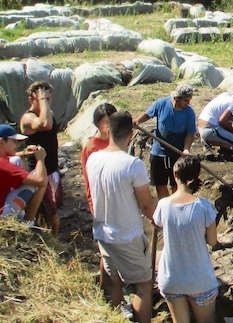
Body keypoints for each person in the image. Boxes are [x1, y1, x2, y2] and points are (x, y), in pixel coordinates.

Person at [87, 111, 155, 323]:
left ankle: (114, 318)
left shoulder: (93, 158)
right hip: (127, 235)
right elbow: (145, 204)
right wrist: (158, 219)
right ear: (131, 134)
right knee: (142, 286)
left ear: (108, 130)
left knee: (112, 281)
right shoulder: (133, 165)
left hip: (103, 232)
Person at [154, 156, 218, 323]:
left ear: (175, 174)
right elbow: (212, 241)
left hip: (171, 278)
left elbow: (159, 226)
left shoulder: (163, 205)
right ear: (197, 176)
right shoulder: (204, 206)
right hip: (199, 279)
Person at [134, 84, 196, 200]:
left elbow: (190, 133)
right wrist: (137, 121)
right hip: (159, 152)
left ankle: (175, 207)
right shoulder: (161, 104)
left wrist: (186, 148)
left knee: (176, 184)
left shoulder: (189, 113)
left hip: (177, 153)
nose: (188, 103)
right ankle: (165, 208)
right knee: (160, 184)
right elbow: (148, 114)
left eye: (189, 100)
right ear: (177, 98)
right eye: (186, 100)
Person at [20, 81, 61, 234]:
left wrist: (44, 102)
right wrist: (43, 101)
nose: (46, 102)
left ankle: (54, 240)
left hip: (52, 169)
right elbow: (44, 124)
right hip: (38, 171)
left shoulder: (48, 113)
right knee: (38, 212)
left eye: (49, 99)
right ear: (32, 99)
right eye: (43, 98)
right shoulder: (27, 118)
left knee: (53, 213)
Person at [0, 125, 47, 222]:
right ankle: (28, 221)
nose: (16, 145)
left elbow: (9, 159)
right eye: (14, 141)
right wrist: (40, 159)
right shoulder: (0, 165)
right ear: (1, 142)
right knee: (37, 182)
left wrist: (24, 153)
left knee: (16, 160)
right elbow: (40, 181)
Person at [81, 103, 118, 215]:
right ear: (98, 124)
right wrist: (92, 205)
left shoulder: (118, 139)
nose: (110, 126)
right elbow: (88, 180)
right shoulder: (91, 147)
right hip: (102, 199)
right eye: (106, 123)